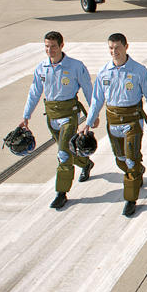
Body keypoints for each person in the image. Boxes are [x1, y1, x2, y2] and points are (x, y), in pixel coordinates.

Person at [81, 33, 147, 217]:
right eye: (110, 48)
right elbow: (97, 99)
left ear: (126, 47)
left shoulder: (139, 71)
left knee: (131, 158)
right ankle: (138, 171)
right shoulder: (104, 73)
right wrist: (89, 121)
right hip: (113, 122)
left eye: (117, 47)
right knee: (121, 159)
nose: (114, 51)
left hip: (133, 121)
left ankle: (130, 199)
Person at [21, 31, 93, 210]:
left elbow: (89, 90)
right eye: (46, 46)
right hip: (51, 117)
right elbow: (34, 92)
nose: (49, 50)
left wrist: (93, 116)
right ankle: (86, 163)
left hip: (69, 115)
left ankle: (61, 193)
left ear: (62, 46)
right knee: (68, 149)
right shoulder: (41, 68)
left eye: (53, 46)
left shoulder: (75, 66)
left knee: (63, 154)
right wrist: (26, 116)